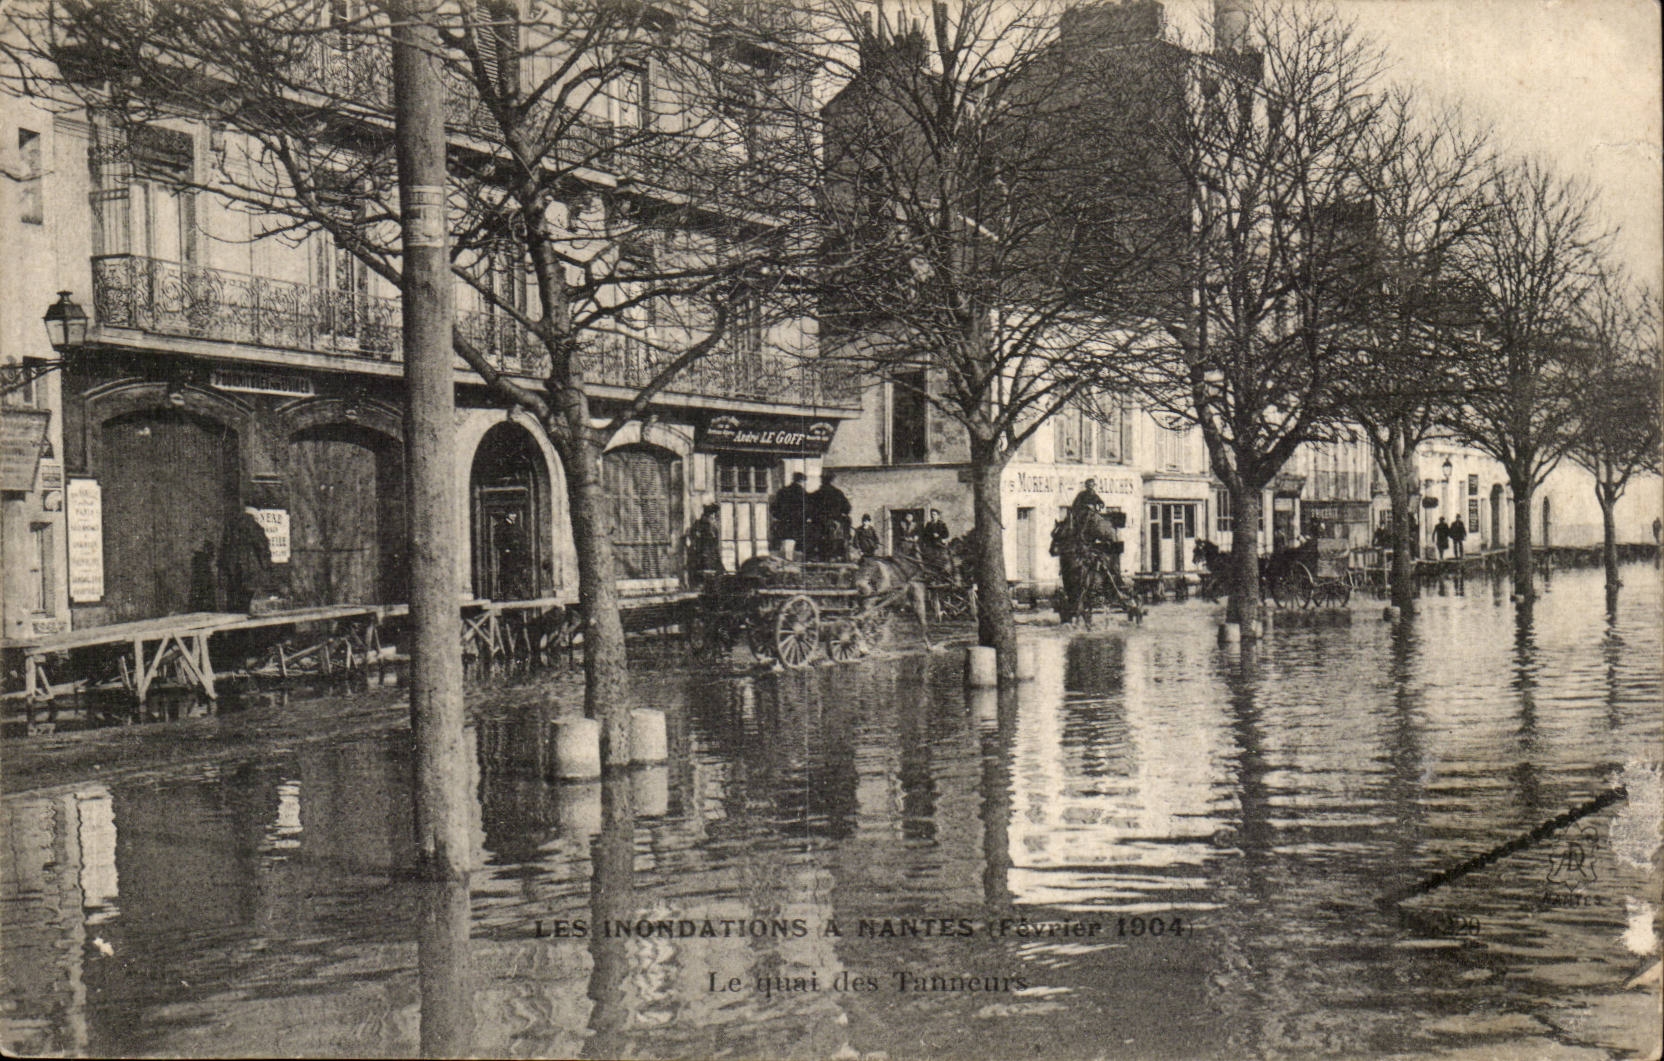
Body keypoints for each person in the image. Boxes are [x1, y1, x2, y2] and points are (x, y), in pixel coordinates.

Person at [222, 502, 276, 613]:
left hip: (232, 571)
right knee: (246, 603)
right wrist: (268, 566)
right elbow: (262, 548)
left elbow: (224, 547)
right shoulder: (254, 526)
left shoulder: (231, 525)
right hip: (249, 571)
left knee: (233, 603)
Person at [809, 471, 852, 561]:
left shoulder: (815, 494)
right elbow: (847, 508)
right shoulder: (838, 493)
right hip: (833, 523)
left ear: (821, 480)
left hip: (818, 523)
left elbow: (809, 510)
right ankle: (841, 555)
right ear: (832, 480)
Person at [686, 502, 725, 589]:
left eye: (713, 516)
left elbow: (715, 540)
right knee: (704, 569)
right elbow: (694, 537)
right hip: (702, 551)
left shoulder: (713, 526)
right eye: (711, 516)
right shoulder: (699, 524)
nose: (712, 518)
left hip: (711, 551)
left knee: (716, 570)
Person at [770, 472, 809, 558]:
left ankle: (786, 560)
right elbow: (808, 508)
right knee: (795, 541)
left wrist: (779, 517)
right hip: (798, 521)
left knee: (786, 541)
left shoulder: (783, 491)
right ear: (802, 481)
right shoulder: (803, 493)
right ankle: (790, 561)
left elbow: (774, 507)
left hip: (784, 520)